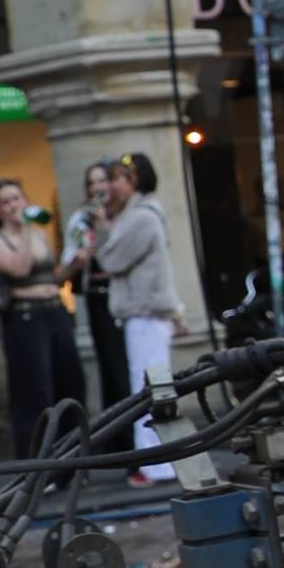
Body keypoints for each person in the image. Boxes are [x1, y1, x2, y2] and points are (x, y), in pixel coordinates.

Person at [0, 180, 90, 458]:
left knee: (70, 383)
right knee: (34, 390)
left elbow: (50, 278)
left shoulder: (39, 235)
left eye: (17, 199)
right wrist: (26, 230)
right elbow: (19, 270)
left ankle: (72, 457)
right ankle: (37, 462)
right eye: (5, 202)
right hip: (25, 316)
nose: (13, 206)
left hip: (54, 309)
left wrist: (73, 265)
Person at [93, 153, 183, 486]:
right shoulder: (142, 214)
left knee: (146, 388)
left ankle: (156, 464)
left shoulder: (141, 217)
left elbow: (112, 260)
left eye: (115, 178)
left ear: (133, 181)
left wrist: (103, 230)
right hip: (146, 313)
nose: (110, 186)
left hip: (144, 314)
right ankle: (161, 461)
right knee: (152, 386)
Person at [63, 162, 132, 413]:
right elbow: (69, 259)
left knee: (128, 363)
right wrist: (78, 259)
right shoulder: (81, 218)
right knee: (109, 363)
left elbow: (123, 253)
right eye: (91, 183)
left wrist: (103, 225)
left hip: (124, 295)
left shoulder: (125, 214)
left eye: (102, 181)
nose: (97, 188)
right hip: (97, 295)